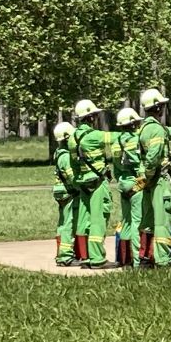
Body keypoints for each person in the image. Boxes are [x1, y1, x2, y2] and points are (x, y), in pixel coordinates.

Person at [136, 88, 171, 268]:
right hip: (159, 181)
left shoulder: (147, 128)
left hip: (148, 182)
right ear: (158, 107)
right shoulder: (157, 131)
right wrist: (151, 175)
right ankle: (163, 260)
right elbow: (153, 157)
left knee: (147, 221)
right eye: (161, 105)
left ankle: (145, 258)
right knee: (162, 221)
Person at [67, 99, 119, 268]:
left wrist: (78, 180)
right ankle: (97, 258)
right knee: (99, 219)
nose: (96, 118)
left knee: (84, 220)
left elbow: (74, 164)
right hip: (97, 182)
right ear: (90, 117)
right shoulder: (94, 136)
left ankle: (85, 257)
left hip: (83, 183)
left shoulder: (72, 139)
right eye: (95, 115)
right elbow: (117, 137)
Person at [112, 107, 144, 268]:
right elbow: (138, 165)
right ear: (132, 123)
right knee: (137, 222)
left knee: (126, 222)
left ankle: (125, 260)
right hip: (135, 184)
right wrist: (143, 181)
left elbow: (116, 168)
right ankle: (138, 261)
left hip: (122, 183)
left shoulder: (116, 143)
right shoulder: (133, 140)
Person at [51, 121, 80, 266]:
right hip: (67, 192)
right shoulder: (66, 157)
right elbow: (72, 178)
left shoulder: (58, 153)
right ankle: (66, 256)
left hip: (59, 191)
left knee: (62, 223)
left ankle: (61, 254)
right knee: (69, 223)